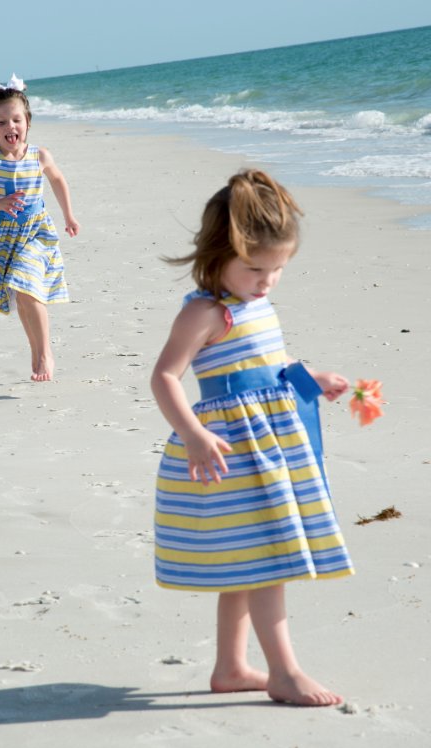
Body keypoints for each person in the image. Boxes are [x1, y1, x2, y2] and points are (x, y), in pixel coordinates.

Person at [151, 169, 354, 707]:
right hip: (233, 451)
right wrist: (192, 435)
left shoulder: (254, 304)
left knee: (247, 560)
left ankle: (232, 667)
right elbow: (165, 376)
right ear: (218, 254)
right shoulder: (206, 312)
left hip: (268, 445)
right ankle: (283, 672)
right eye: (255, 268)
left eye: (279, 269)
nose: (267, 281)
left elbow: (270, 361)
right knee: (270, 556)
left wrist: (313, 379)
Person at [0, 86, 80, 381]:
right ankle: (36, 348)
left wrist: (69, 215)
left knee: (28, 286)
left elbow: (58, 179)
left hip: (37, 234)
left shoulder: (40, 155)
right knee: (22, 297)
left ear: (27, 121)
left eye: (16, 120)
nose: (10, 127)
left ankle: (45, 354)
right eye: (1, 122)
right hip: (3, 238)